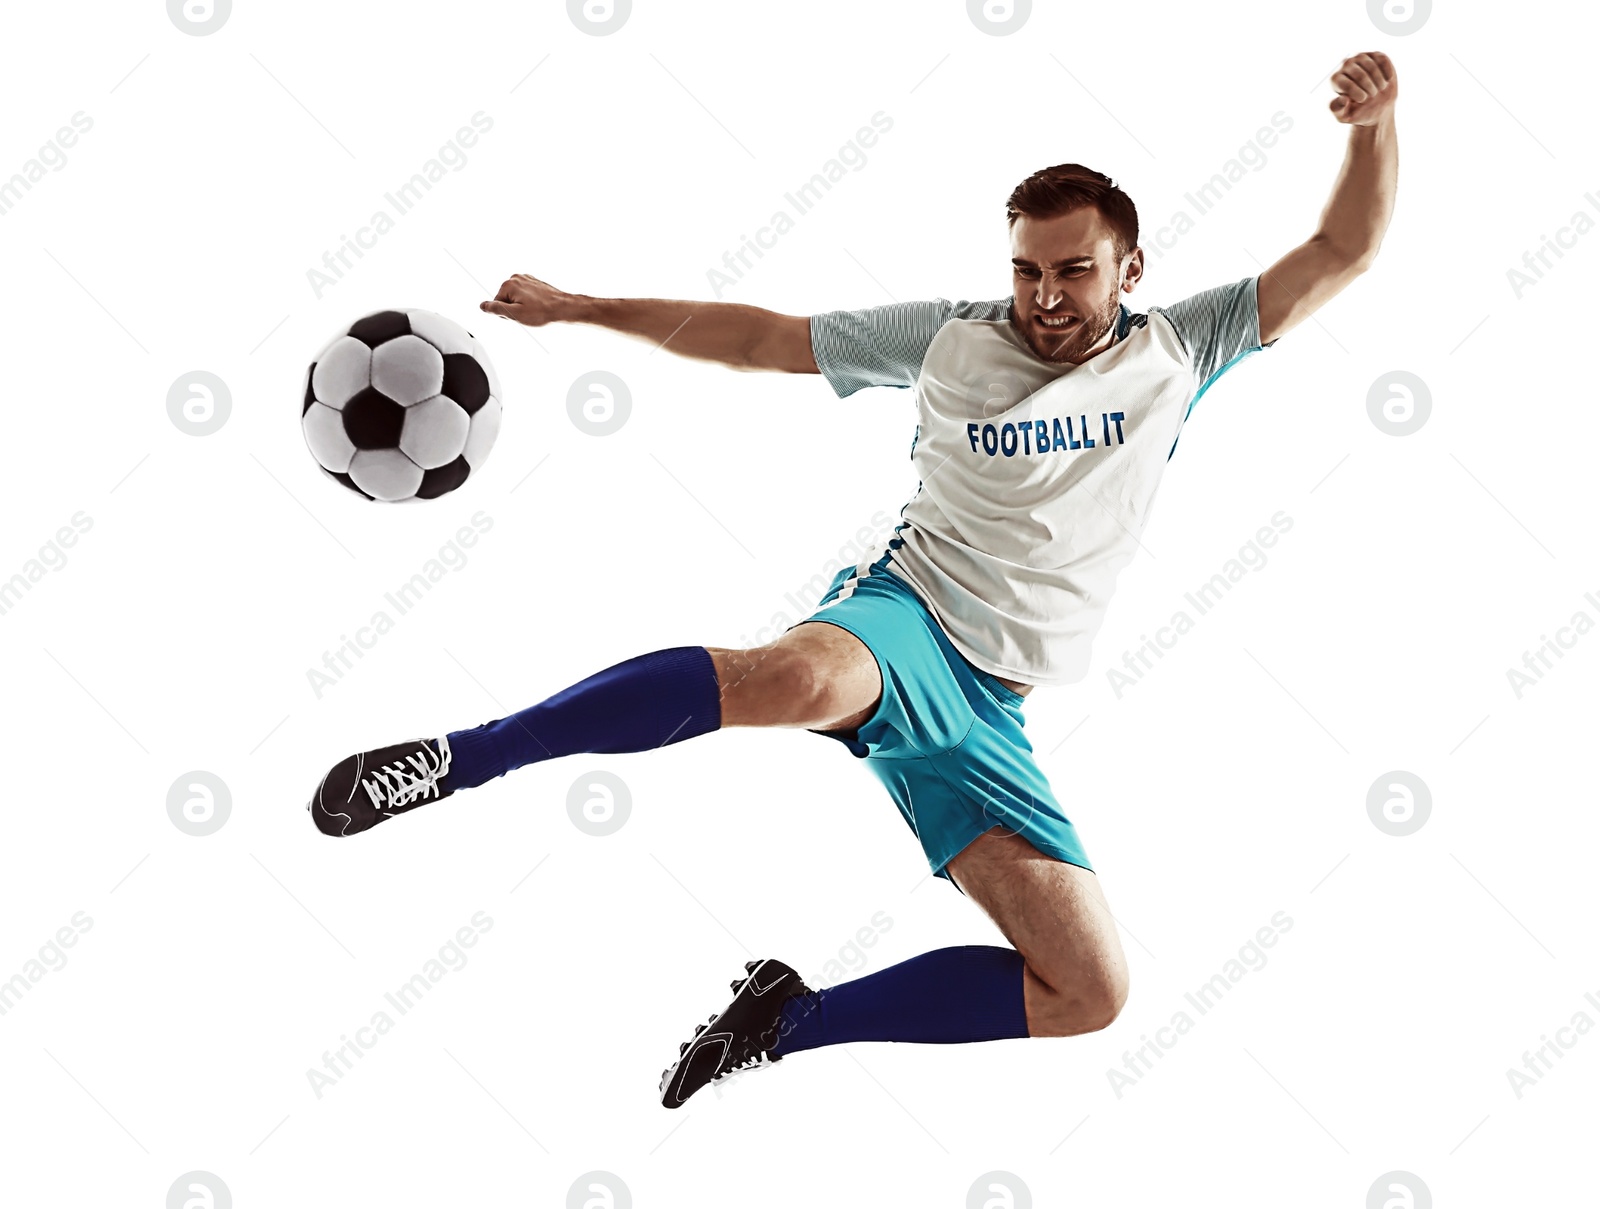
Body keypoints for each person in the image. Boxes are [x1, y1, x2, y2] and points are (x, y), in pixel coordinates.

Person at [308, 51, 1399, 1109]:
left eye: (1072, 270)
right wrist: (587, 308)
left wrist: (1372, 128)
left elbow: (1341, 247)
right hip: (907, 618)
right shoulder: (951, 340)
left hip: (995, 709)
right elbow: (762, 339)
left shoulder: (1182, 347)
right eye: (1026, 269)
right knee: (794, 683)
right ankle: (464, 759)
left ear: (1129, 268)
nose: (1045, 296)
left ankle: (789, 1019)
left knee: (1088, 992)